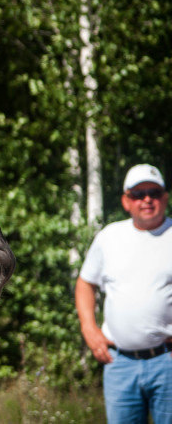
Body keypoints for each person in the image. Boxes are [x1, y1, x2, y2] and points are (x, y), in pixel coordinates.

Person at [75, 163, 172, 423]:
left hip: (167, 362)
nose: (147, 199)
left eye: (154, 192)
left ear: (165, 197)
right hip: (120, 364)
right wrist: (89, 328)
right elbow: (85, 283)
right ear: (126, 201)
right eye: (138, 194)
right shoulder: (109, 237)